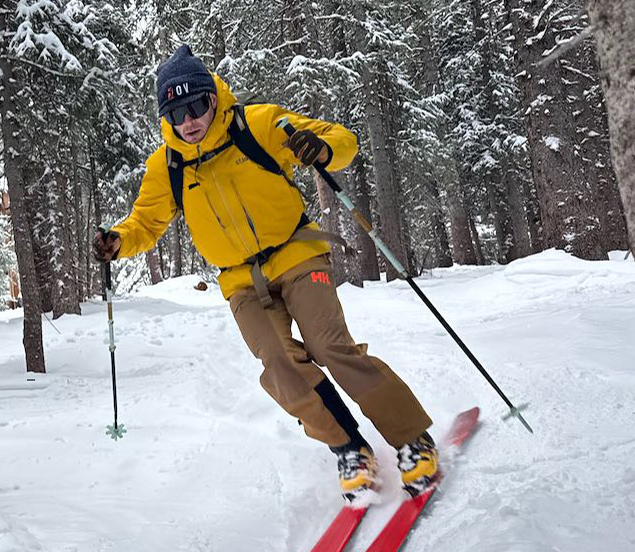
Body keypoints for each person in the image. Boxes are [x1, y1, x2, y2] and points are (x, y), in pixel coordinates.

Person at [93, 45, 438, 503]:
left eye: (196, 105)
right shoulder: (168, 165)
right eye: (176, 112)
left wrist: (323, 148)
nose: (189, 120)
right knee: (279, 366)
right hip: (239, 279)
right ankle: (349, 447)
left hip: (295, 252)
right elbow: (146, 222)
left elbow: (340, 140)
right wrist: (119, 240)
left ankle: (412, 437)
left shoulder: (257, 124)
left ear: (212, 98)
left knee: (328, 346)